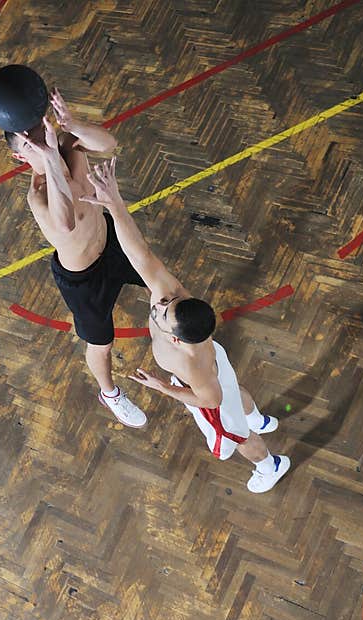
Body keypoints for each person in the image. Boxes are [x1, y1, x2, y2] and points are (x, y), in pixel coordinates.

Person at [80, 158, 291, 493]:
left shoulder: (195, 367)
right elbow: (141, 255)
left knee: (235, 436)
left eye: (163, 313)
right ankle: (258, 418)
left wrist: (164, 388)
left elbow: (210, 400)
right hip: (217, 368)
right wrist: (115, 203)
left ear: (177, 340)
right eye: (167, 304)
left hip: (208, 389)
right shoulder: (172, 295)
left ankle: (270, 465)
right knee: (234, 393)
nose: (159, 304)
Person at [3, 88, 147, 428]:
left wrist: (72, 124)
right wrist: (50, 156)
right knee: (102, 343)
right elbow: (65, 221)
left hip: (112, 239)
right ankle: (109, 393)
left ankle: (180, 346)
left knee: (162, 286)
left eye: (39, 131)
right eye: (28, 144)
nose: (38, 141)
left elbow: (109, 145)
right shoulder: (38, 195)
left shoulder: (67, 143)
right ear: (20, 158)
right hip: (84, 279)